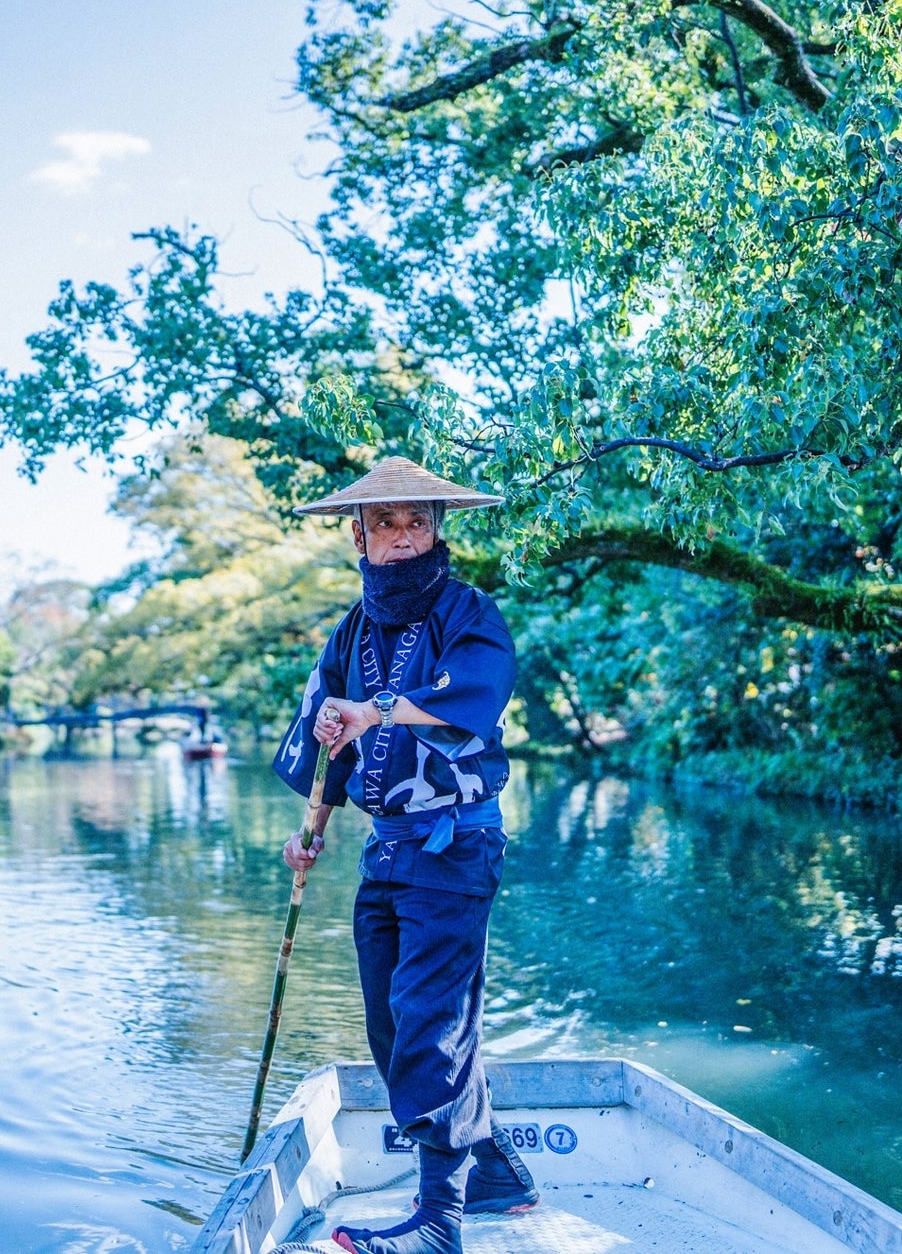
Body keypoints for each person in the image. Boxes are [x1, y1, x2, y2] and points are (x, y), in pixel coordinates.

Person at [272, 457, 535, 1254]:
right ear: (359, 537)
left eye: (417, 520)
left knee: (430, 1021)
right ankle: (496, 1172)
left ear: (437, 528)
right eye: (384, 523)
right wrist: (312, 831)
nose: (402, 536)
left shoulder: (469, 613)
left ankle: (438, 1224)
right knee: (393, 1030)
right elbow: (328, 740)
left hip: (456, 846)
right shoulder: (349, 633)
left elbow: (475, 699)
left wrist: (376, 708)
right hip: (385, 854)